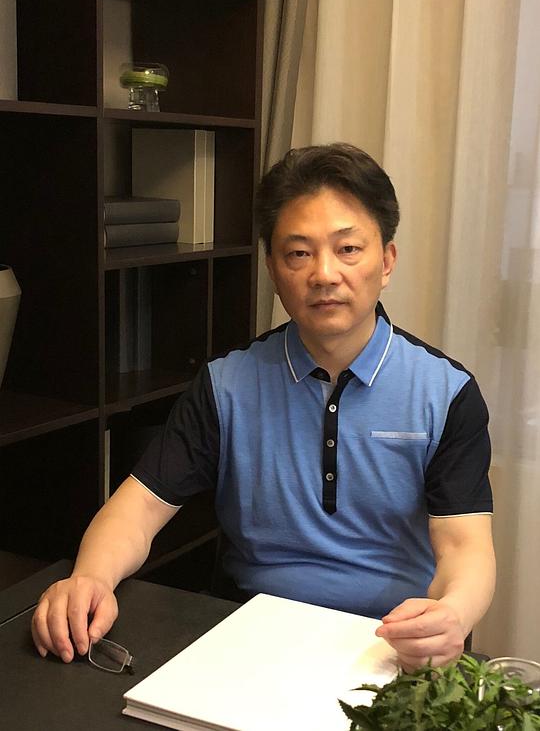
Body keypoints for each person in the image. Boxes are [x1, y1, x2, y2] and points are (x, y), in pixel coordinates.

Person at [32, 143, 495, 673]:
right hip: (248, 635)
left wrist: (452, 615)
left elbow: (464, 547)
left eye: (348, 249)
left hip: (390, 642)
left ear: (386, 261)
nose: (324, 274)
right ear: (273, 269)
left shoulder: (446, 392)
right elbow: (137, 510)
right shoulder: (225, 385)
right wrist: (89, 578)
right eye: (298, 253)